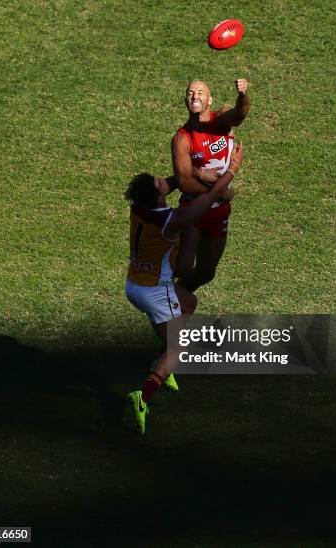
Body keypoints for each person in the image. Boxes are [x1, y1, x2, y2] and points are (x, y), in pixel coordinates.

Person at [124, 143, 244, 434]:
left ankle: (165, 363)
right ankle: (145, 395)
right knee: (181, 346)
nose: (165, 181)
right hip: (156, 290)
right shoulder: (172, 220)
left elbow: (177, 181)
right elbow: (212, 197)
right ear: (158, 195)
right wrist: (232, 169)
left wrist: (191, 171)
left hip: (134, 285)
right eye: (160, 183)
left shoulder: (140, 208)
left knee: (189, 302)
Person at [171, 78, 250, 293]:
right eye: (190, 93)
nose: (195, 96)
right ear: (185, 100)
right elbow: (184, 182)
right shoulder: (182, 138)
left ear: (210, 100)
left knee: (207, 272)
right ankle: (168, 309)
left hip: (219, 211)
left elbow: (240, 114)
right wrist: (219, 191)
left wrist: (243, 95)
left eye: (200, 92)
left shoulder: (221, 119)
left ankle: (178, 297)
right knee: (182, 267)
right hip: (193, 209)